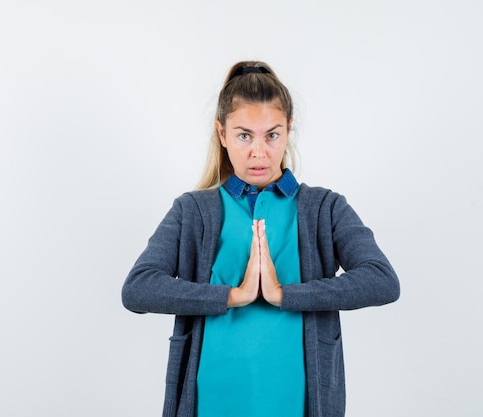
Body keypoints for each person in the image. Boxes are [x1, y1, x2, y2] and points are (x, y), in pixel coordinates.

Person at [121, 60, 400, 417]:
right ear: (222, 134)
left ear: (288, 131)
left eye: (272, 134)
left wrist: (285, 295)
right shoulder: (192, 210)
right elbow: (138, 288)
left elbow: (382, 280)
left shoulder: (325, 208)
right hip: (212, 400)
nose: (259, 152)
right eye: (243, 135)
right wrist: (231, 296)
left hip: (296, 402)